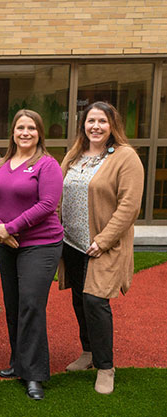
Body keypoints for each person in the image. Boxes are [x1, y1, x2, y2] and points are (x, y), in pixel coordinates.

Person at [59, 101, 144, 395]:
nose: (95, 126)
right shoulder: (75, 154)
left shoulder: (126, 157)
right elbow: (60, 192)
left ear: (112, 126)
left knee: (96, 302)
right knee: (79, 301)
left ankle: (106, 367)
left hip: (102, 245)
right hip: (72, 243)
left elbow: (129, 206)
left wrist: (104, 240)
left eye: (102, 121)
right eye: (90, 121)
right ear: (83, 124)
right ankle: (88, 353)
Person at [0, 109, 63, 400]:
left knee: (31, 304)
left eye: (31, 128)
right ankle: (18, 362)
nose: (25, 132)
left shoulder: (47, 164)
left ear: (39, 133)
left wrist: (10, 227)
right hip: (7, 243)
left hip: (40, 244)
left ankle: (34, 374)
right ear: (13, 132)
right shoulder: (1, 163)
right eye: (20, 127)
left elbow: (48, 204)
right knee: (14, 305)